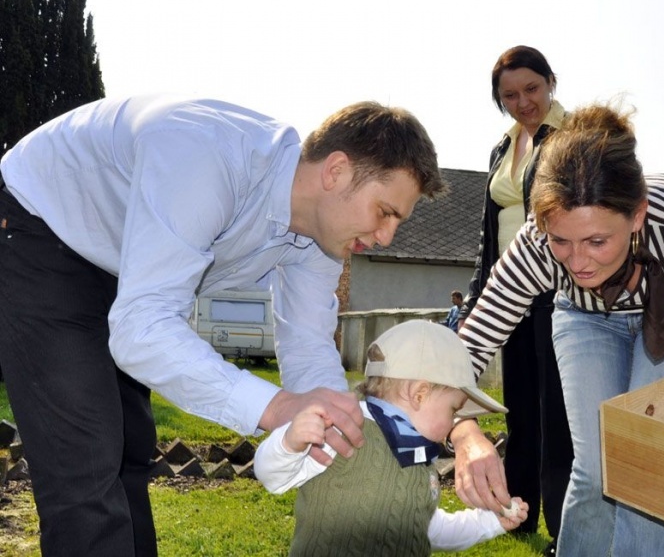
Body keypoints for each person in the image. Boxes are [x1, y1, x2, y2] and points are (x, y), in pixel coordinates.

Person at [0, 95, 445, 556]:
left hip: (122, 266)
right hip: (41, 229)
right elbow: (141, 328)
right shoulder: (206, 160)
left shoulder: (321, 238)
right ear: (336, 171)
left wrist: (336, 434)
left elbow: (309, 342)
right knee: (86, 463)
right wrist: (273, 406)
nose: (386, 237)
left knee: (129, 450)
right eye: (385, 212)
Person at [450, 101, 664, 556]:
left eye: (597, 241)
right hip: (586, 319)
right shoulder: (536, 248)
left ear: (637, 215)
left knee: (647, 457)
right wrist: (464, 430)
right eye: (562, 241)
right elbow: (473, 342)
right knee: (596, 466)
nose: (579, 261)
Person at [254, 319, 529, 556]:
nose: (453, 422)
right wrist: (288, 443)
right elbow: (272, 476)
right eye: (453, 409)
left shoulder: (420, 458)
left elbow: (427, 530)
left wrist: (489, 523)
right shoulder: (344, 428)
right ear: (419, 394)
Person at [457, 45, 573, 551]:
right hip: (509, 297)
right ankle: (518, 512)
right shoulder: (502, 148)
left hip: (556, 291)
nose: (523, 101)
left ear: (551, 81)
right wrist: (481, 291)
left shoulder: (573, 138)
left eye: (531, 88)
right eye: (509, 94)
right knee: (520, 409)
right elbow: (490, 229)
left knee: (559, 416)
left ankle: (564, 526)